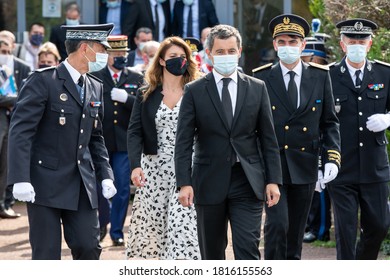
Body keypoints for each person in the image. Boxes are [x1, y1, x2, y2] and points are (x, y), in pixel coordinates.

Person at [7, 23, 117, 260]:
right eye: (102, 49)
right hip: (44, 183)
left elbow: (95, 137)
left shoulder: (95, 86)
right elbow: (21, 131)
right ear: (85, 48)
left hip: (81, 184)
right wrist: (20, 178)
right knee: (47, 254)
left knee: (89, 247)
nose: (106, 55)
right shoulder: (44, 80)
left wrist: (105, 174)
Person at [175, 24, 282, 260]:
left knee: (248, 250)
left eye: (231, 51)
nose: (226, 56)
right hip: (208, 181)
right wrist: (184, 182)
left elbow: (268, 139)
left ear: (240, 51)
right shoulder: (194, 91)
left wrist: (273, 180)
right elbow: (183, 141)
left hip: (248, 180)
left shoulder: (257, 88)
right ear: (209, 53)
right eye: (220, 51)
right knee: (212, 254)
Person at [252, 14, 341, 260]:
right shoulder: (260, 77)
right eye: (282, 41)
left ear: (303, 45)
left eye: (293, 41)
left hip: (306, 163)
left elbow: (329, 122)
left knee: (295, 233)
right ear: (274, 45)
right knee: (276, 225)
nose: (287, 46)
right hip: (274, 166)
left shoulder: (320, 76)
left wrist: (331, 158)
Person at [126, 36, 201, 260]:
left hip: (186, 171)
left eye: (183, 57)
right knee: (152, 236)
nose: (179, 61)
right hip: (153, 172)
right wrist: (135, 166)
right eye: (173, 57)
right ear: (161, 61)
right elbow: (134, 131)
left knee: (182, 231)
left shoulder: (196, 91)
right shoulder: (146, 93)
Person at [327, 18, 390, 260]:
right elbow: (320, 123)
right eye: (351, 41)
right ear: (342, 45)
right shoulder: (329, 76)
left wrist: (388, 119)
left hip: (375, 166)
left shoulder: (384, 73)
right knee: (345, 231)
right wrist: (322, 164)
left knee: (379, 225)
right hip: (342, 166)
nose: (357, 45)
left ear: (370, 44)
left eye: (361, 41)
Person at [91, 35, 144, 246]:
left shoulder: (136, 77)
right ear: (106, 55)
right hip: (100, 140)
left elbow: (143, 109)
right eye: (115, 54)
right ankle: (101, 223)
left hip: (123, 141)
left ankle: (116, 231)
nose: (120, 57)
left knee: (122, 187)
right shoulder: (95, 76)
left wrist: (128, 99)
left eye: (123, 53)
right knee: (98, 186)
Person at [301, 34, 332, 243]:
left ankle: (320, 229)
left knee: (321, 187)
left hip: (321, 139)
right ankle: (309, 225)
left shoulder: (324, 76)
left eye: (311, 58)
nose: (307, 62)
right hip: (302, 140)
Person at [0, 34, 31, 219]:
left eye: (6, 49)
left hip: (17, 123)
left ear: (13, 46)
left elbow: (29, 95)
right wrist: (14, 100)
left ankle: (5, 203)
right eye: (1, 50)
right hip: (1, 121)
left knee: (8, 164)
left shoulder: (23, 67)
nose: (4, 52)